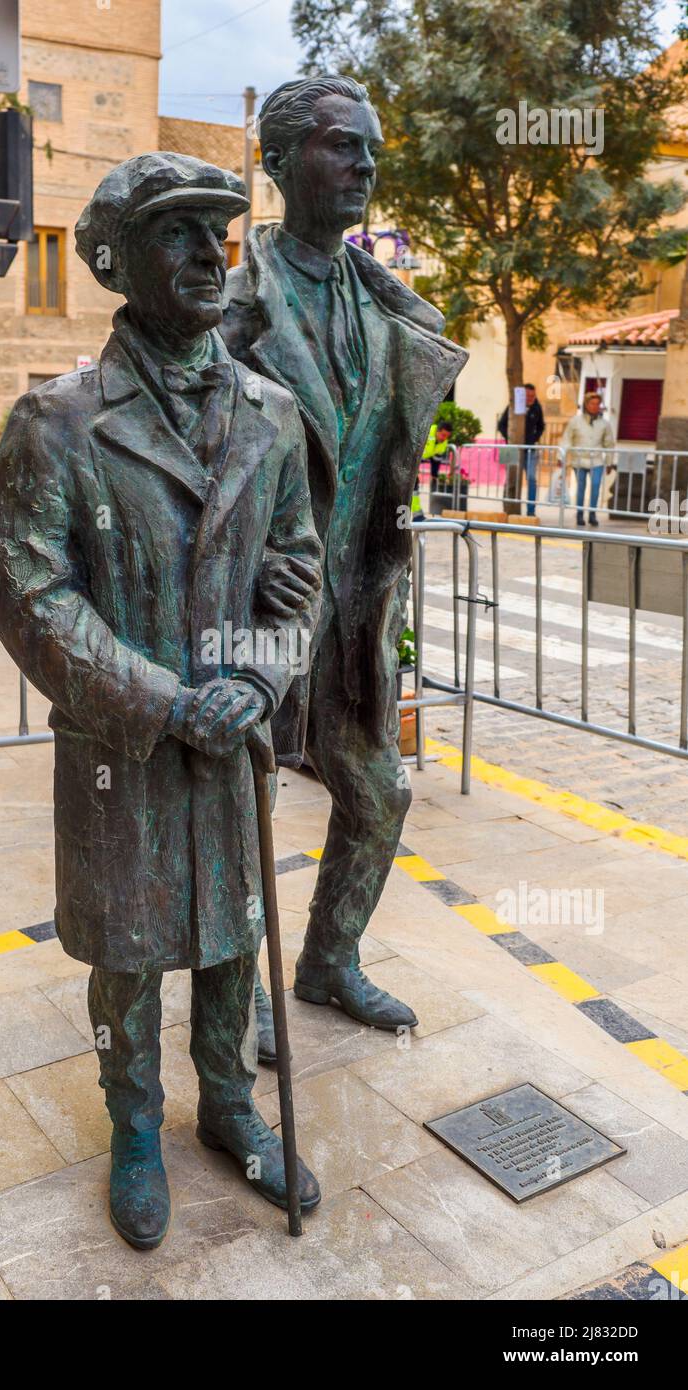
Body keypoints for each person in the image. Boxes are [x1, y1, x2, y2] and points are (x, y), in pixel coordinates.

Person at [0, 154, 323, 1251]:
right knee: (126, 950)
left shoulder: (270, 414)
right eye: (175, 233)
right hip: (115, 746)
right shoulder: (58, 422)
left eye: (216, 233)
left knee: (231, 934)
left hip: (231, 731)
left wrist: (258, 675)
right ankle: (134, 1127)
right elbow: (27, 591)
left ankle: (227, 1106)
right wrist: (164, 698)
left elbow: (294, 569)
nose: (207, 253)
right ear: (113, 261)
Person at [222, 76, 467, 1058]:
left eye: (371, 147)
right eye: (341, 145)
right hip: (254, 598)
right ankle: (232, 988)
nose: (365, 162)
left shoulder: (387, 309)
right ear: (278, 165)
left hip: (360, 593)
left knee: (378, 790)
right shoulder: (229, 308)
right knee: (238, 797)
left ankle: (327, 957)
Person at [560, 390, 615, 526]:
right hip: (579, 460)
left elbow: (609, 444)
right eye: (592, 403)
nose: (595, 406)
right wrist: (561, 456)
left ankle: (592, 514)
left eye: (597, 404)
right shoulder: (575, 421)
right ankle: (579, 514)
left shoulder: (604, 424)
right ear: (586, 405)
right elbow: (567, 439)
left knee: (596, 486)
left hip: (596, 461)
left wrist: (609, 462)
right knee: (581, 488)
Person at [498, 383, 544, 516]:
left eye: (533, 395)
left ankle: (531, 511)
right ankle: (507, 508)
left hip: (529, 449)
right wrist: (511, 439)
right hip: (511, 448)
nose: (531, 398)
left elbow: (541, 426)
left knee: (531, 478)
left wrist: (533, 439)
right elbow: (501, 425)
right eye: (528, 395)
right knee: (510, 478)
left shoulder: (537, 407)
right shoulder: (513, 406)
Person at [423, 419, 454, 495]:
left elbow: (436, 459)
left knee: (414, 486)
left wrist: (434, 475)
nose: (444, 438)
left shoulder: (443, 443)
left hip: (418, 460)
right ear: (437, 431)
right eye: (443, 435)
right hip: (409, 459)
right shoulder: (426, 431)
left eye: (447, 436)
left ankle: (414, 506)